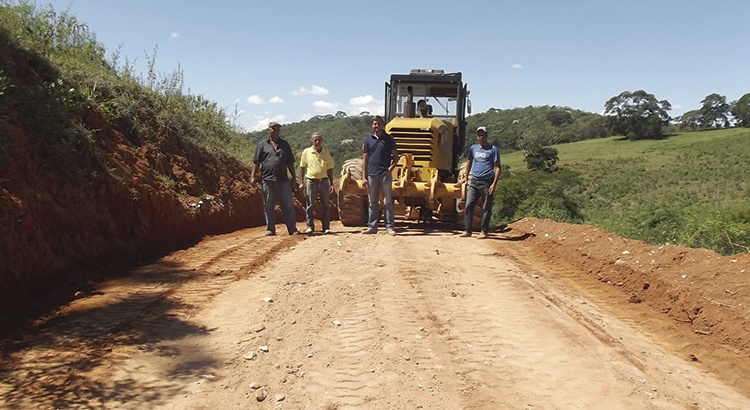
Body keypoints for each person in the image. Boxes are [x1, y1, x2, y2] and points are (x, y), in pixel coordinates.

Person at [250, 121, 299, 236]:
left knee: (288, 205)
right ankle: (270, 229)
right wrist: (252, 176)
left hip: (283, 180)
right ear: (269, 130)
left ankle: (292, 229)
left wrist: (293, 177)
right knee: (268, 205)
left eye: (278, 129)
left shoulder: (285, 145)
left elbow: (290, 162)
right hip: (267, 180)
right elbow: (256, 162)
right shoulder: (262, 145)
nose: (276, 131)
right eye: (274, 129)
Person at [458, 126, 501, 239]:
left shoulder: (493, 149)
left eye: (483, 134)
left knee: (486, 208)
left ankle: (483, 231)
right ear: (477, 136)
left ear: (486, 135)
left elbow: (498, 168)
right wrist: (466, 177)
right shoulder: (473, 148)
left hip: (486, 183)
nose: (481, 136)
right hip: (474, 182)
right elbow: (469, 163)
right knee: (468, 206)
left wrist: (494, 184)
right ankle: (467, 230)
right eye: (479, 134)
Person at [362, 115, 399, 235]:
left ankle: (389, 227)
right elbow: (365, 159)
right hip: (372, 174)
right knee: (372, 202)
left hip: (385, 174)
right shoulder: (368, 140)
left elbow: (396, 156)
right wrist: (363, 176)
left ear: (382, 125)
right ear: (372, 126)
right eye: (374, 124)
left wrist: (391, 168)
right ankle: (372, 227)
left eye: (378, 124)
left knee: (387, 201)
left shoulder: (389, 139)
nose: (376, 126)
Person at [299, 132, 334, 234]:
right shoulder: (307, 152)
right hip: (311, 181)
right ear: (312, 141)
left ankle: (326, 227)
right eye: (315, 140)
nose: (317, 142)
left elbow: (330, 169)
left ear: (322, 141)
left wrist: (331, 183)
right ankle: (310, 226)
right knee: (310, 204)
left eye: (319, 140)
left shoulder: (326, 152)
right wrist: (301, 182)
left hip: (323, 181)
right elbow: (302, 167)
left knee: (325, 205)